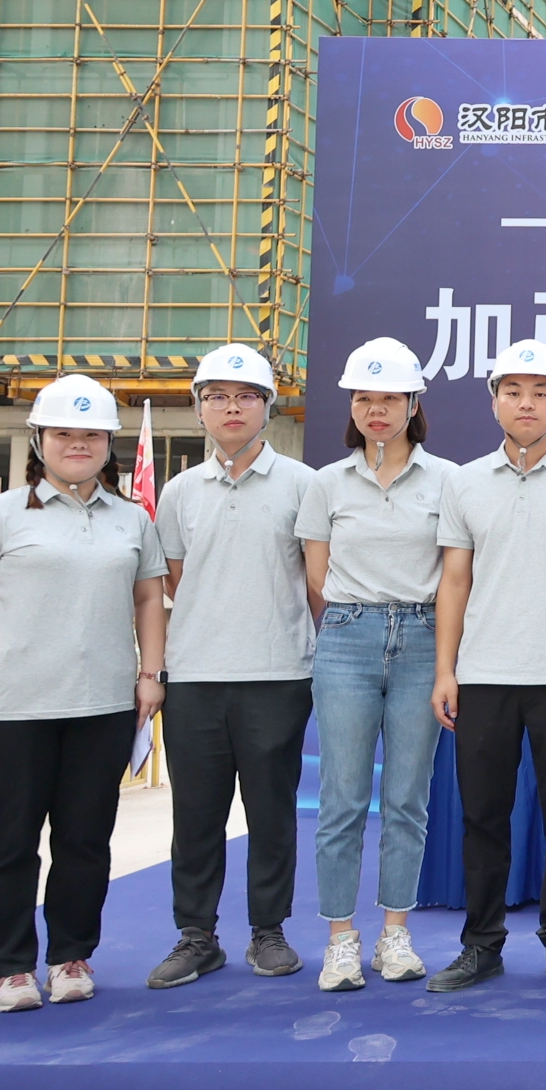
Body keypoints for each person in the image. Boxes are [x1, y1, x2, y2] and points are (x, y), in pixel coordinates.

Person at [0, 375, 167, 1013]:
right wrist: (12, 634)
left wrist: (150, 674)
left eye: (92, 434)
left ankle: (71, 955)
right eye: (64, 433)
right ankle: (9, 967)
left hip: (102, 706)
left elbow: (148, 598)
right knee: (8, 842)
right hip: (16, 706)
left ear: (109, 444)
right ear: (39, 440)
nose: (78, 444)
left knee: (84, 842)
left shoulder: (131, 519)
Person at [426, 341, 546, 994]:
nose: (526, 403)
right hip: (483, 675)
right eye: (512, 391)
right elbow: (454, 582)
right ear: (494, 401)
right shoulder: (464, 481)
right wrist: (446, 671)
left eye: (540, 392)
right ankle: (481, 944)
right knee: (483, 817)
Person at [146, 344, 317, 991]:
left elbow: (316, 583)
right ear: (199, 410)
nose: (231, 407)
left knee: (271, 813)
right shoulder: (179, 491)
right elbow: (177, 580)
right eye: (216, 396)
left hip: (278, 675)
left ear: (267, 407)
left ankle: (268, 931)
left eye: (246, 396)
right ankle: (197, 935)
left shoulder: (303, 484)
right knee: (195, 816)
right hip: (194, 678)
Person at [295, 335, 458, 992]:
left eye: (390, 398)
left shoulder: (446, 480)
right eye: (364, 398)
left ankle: (396, 932)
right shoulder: (326, 483)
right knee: (341, 799)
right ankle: (340, 938)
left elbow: (456, 574)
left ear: (414, 403)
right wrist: (356, 621)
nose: (376, 410)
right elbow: (317, 578)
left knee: (407, 800)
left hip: (423, 638)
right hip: (346, 638)